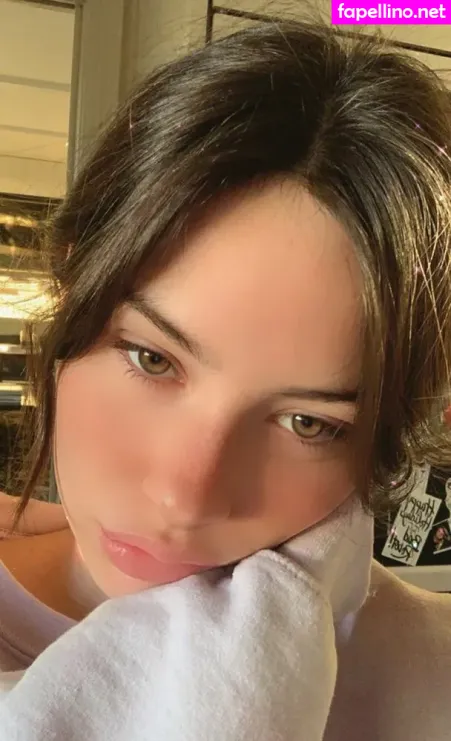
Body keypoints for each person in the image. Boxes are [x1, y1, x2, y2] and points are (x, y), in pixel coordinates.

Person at [0, 18, 451, 740]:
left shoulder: (424, 678)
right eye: (151, 359)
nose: (185, 497)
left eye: (308, 422)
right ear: (71, 284)